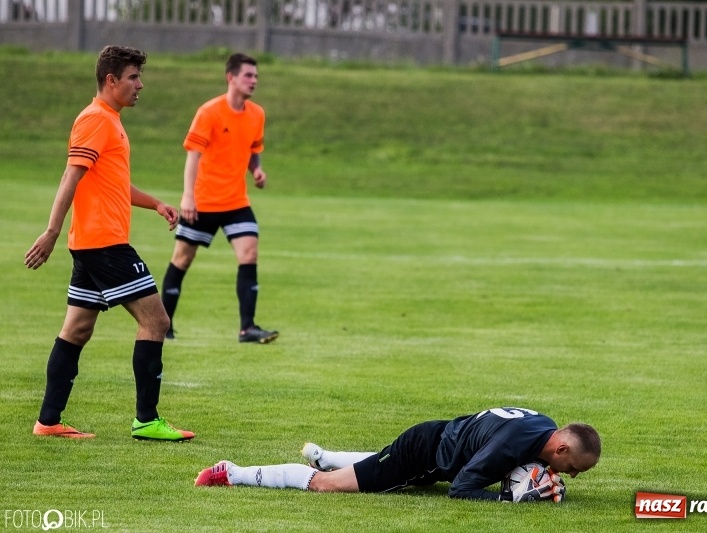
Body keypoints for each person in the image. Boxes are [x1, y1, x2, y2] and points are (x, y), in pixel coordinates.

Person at [24, 45, 194, 442]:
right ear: (111, 80)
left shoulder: (110, 120)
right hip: (104, 244)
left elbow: (113, 183)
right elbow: (71, 176)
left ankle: (48, 422)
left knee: (77, 329)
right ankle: (147, 420)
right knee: (157, 321)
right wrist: (50, 231)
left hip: (92, 243)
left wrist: (155, 204)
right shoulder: (96, 120)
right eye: (134, 77)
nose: (140, 85)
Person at [194, 407, 600, 502]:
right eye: (573, 467)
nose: (572, 475)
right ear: (561, 447)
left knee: (376, 462)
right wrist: (510, 497)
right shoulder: (512, 444)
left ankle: (327, 454)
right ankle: (233, 472)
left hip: (439, 437)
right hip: (422, 454)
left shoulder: (542, 426)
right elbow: (460, 489)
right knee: (329, 487)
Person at [160, 52, 278, 344]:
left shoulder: (257, 114)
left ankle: (247, 328)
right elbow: (193, 155)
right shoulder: (209, 112)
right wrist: (188, 196)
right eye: (248, 75)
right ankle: (162, 324)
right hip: (203, 201)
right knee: (182, 259)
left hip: (236, 201)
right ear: (231, 78)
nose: (254, 81)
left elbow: (252, 148)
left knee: (249, 252)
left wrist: (257, 169)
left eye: (256, 76)